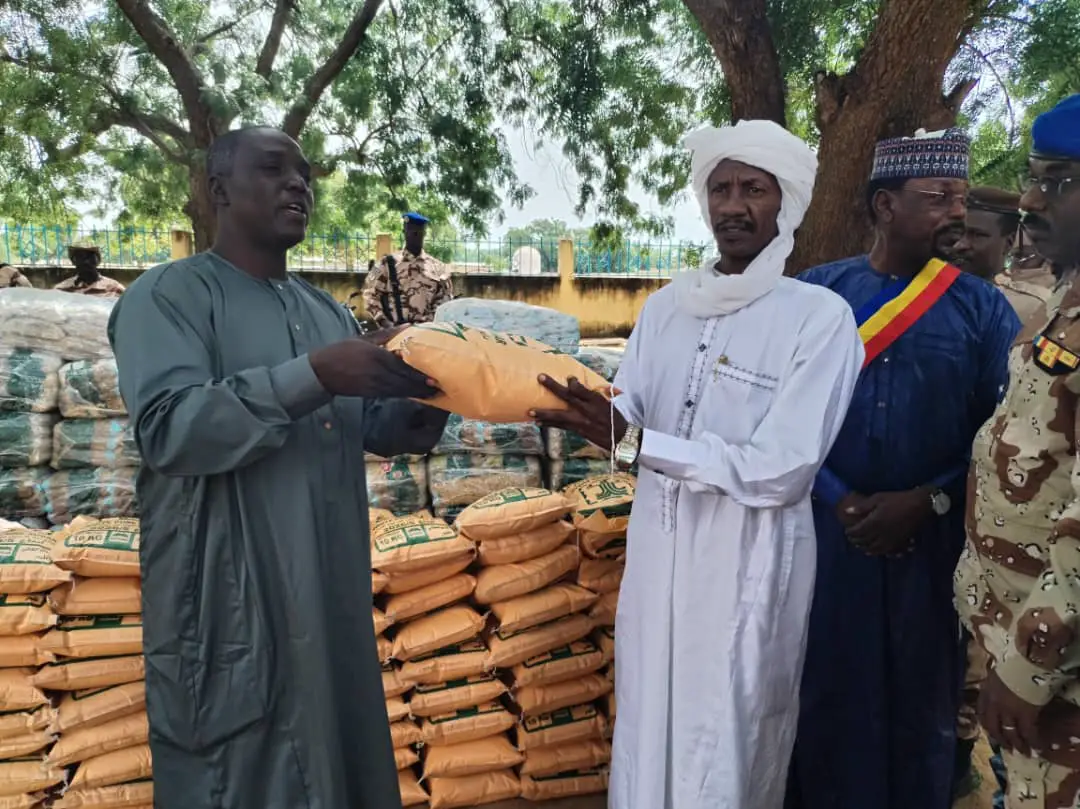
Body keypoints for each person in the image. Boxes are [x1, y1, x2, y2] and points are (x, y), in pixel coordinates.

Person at [108, 126, 449, 809]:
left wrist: (436, 390)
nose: (300, 184)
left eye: (305, 174)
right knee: (243, 776)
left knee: (339, 766)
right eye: (274, 169)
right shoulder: (168, 297)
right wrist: (316, 373)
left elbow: (368, 428)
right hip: (231, 608)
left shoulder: (325, 312)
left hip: (328, 600)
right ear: (219, 191)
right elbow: (171, 429)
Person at [531, 120, 864, 809]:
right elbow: (628, 415)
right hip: (658, 557)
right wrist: (561, 397)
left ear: (787, 203)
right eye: (720, 188)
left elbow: (783, 469)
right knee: (647, 724)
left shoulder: (819, 319)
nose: (733, 206)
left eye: (753, 189)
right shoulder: (665, 309)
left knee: (728, 738)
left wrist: (640, 442)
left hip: (747, 566)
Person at [788, 128, 1020, 809]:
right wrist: (837, 497)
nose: (957, 213)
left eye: (961, 198)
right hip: (831, 538)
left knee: (922, 701)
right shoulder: (817, 295)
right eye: (939, 197)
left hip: (930, 545)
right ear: (885, 205)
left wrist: (929, 500)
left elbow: (997, 441)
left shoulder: (983, 310)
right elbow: (784, 419)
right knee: (829, 689)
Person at [955, 93, 1080, 808]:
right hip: (1021, 651)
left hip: (1052, 670)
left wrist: (1029, 666)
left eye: (1058, 181)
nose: (1031, 200)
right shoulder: (1067, 305)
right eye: (1034, 177)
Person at [361, 212, 452, 328]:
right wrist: (384, 322)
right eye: (412, 231)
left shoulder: (438, 267)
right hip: (394, 332)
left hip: (427, 333)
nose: (415, 235)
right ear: (404, 232)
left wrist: (432, 324)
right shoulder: (386, 264)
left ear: (424, 233)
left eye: (419, 231)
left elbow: (445, 300)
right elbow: (369, 294)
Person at [54, 243, 125, 298]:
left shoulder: (115, 288)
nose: (86, 262)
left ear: (97, 261)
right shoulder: (61, 289)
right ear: (73, 261)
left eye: (90, 257)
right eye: (80, 257)